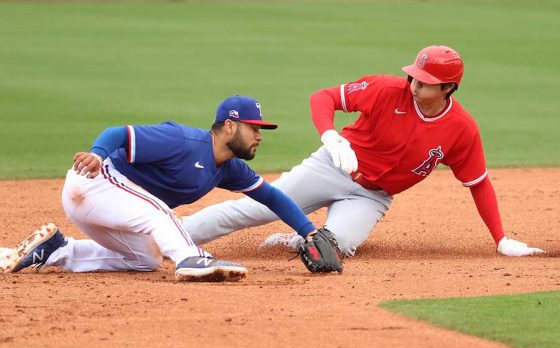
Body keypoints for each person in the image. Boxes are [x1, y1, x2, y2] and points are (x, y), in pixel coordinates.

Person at [181, 45, 544, 258]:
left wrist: (500, 239)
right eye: (414, 76)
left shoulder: (461, 130)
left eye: (426, 82)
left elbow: (478, 183)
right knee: (251, 210)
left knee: (333, 248)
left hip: (372, 197)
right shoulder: (386, 89)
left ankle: (296, 238)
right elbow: (323, 97)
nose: (415, 84)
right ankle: (169, 236)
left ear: (449, 88)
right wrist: (330, 136)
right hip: (332, 167)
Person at [4, 96, 322, 281]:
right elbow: (119, 133)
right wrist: (97, 154)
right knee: (161, 213)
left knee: (146, 259)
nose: (259, 136)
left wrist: (309, 232)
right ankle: (190, 259)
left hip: (108, 204)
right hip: (94, 182)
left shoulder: (230, 168)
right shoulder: (182, 140)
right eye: (254, 128)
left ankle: (58, 250)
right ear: (229, 126)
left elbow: (271, 196)